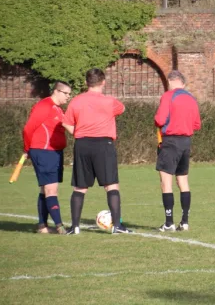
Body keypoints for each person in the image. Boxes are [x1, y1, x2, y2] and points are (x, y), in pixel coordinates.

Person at [62, 68, 132, 234]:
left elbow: (66, 123)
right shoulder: (110, 101)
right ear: (103, 82)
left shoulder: (76, 101)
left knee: (80, 187)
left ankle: (74, 227)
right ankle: (117, 226)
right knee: (111, 185)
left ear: (86, 83)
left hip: (82, 144)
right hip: (103, 144)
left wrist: (79, 132)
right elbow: (121, 109)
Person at [22, 81, 72, 234]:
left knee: (45, 189)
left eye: (70, 94)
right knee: (51, 189)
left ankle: (42, 226)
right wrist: (27, 149)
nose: (68, 97)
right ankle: (60, 227)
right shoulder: (44, 106)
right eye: (66, 94)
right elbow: (28, 128)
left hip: (54, 152)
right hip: (44, 152)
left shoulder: (57, 109)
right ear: (57, 91)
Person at [155, 71, 202, 232]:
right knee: (183, 181)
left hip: (170, 142)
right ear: (183, 83)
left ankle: (169, 222)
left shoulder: (168, 96)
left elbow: (159, 120)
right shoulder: (191, 98)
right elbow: (197, 124)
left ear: (170, 81)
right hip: (185, 142)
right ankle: (185, 221)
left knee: (166, 182)